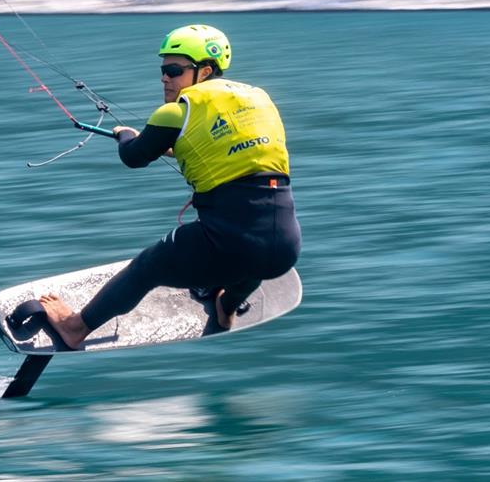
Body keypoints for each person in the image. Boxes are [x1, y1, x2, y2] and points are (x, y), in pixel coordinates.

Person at [38, 24, 301, 349]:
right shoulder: (258, 99)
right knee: (253, 259)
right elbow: (229, 145)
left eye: (174, 70)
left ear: (204, 71)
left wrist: (124, 133)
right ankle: (227, 307)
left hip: (230, 243)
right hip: (285, 247)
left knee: (149, 265)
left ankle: (75, 327)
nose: (165, 78)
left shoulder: (176, 112)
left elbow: (134, 157)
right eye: (163, 70)